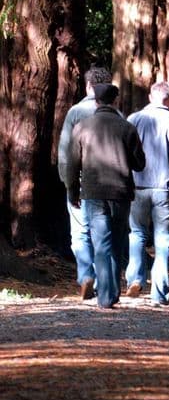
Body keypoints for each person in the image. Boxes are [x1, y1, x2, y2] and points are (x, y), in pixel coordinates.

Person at [65, 82, 146, 309]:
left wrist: (73, 191)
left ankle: (106, 296)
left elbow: (73, 164)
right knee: (117, 242)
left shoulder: (82, 127)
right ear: (115, 101)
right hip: (121, 193)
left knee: (101, 243)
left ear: (97, 101)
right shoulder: (127, 128)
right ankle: (111, 292)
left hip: (94, 192)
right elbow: (140, 163)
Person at [125, 82, 169, 306]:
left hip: (137, 186)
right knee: (163, 239)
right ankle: (159, 292)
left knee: (137, 233)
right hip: (166, 188)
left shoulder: (133, 119)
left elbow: (124, 153)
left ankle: (134, 279)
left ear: (150, 96)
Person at [57, 67, 115, 299]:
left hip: (81, 181)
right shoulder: (115, 114)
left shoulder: (76, 112)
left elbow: (66, 151)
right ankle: (104, 281)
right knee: (104, 233)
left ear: (88, 86)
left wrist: (68, 182)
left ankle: (85, 276)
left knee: (80, 234)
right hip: (111, 184)